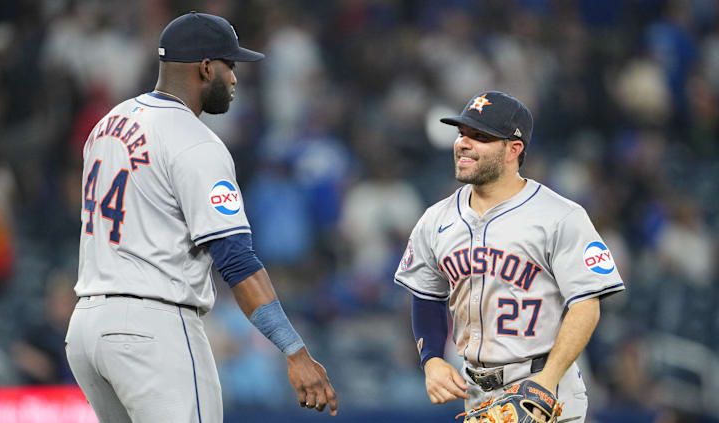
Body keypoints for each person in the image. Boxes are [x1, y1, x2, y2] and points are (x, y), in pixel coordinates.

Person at [65, 12, 337, 423]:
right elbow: (236, 260)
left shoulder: (108, 124)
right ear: (206, 67)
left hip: (87, 327)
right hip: (153, 329)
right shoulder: (195, 142)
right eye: (230, 65)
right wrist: (295, 351)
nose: (234, 78)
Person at [394, 91, 624, 422]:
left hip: (545, 387)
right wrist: (431, 359)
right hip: (477, 392)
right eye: (462, 133)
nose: (463, 143)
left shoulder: (559, 216)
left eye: (481, 136)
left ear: (513, 149)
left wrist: (546, 382)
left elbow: (587, 305)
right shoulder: (436, 219)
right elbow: (427, 294)